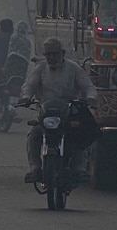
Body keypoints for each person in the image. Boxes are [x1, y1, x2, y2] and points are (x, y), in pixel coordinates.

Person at [18, 37, 97, 183]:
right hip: (45, 111)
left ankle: (79, 168)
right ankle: (35, 168)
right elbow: (29, 85)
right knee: (34, 135)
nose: (52, 58)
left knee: (79, 135)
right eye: (49, 54)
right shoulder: (40, 68)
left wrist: (90, 97)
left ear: (63, 53)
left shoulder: (74, 68)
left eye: (55, 54)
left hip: (68, 111)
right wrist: (25, 97)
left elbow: (88, 86)